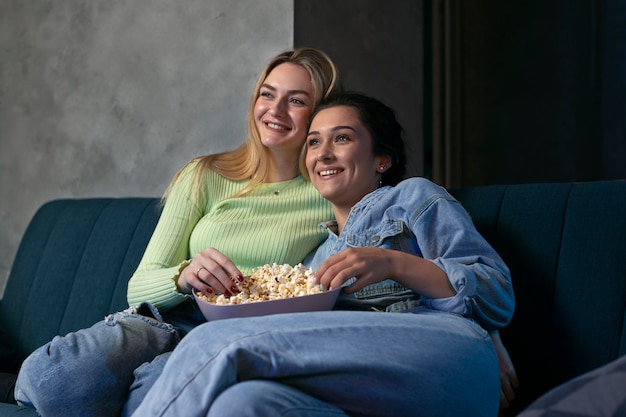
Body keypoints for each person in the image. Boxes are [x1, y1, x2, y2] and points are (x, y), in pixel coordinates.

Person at [129, 92, 516, 417]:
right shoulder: (314, 259)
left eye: (341, 139)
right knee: (242, 404)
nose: (323, 154)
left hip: (440, 358)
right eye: (313, 142)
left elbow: (496, 293)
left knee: (214, 343)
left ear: (383, 159)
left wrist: (394, 263)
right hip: (362, 389)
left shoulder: (412, 197)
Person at [14, 47, 341, 417]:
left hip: (231, 337)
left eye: (296, 100)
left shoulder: (327, 193)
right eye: (268, 94)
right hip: (165, 320)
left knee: (156, 398)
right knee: (52, 380)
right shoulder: (204, 175)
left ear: (319, 115)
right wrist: (182, 276)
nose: (275, 110)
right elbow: (137, 286)